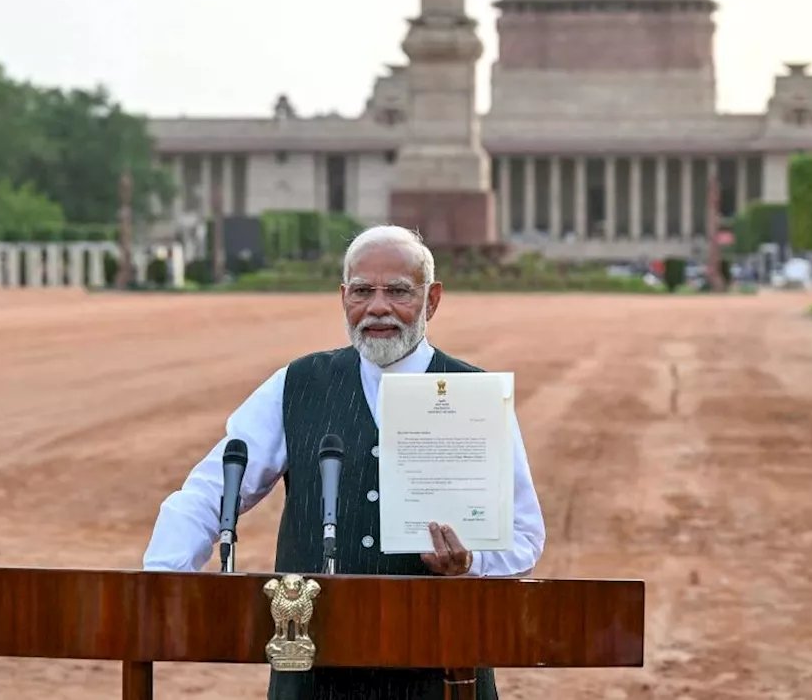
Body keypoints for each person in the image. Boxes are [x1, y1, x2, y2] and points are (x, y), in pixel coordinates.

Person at [142, 224, 546, 699]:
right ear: (342, 296)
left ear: (432, 300)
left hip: (440, 665)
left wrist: (472, 559)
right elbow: (213, 490)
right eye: (362, 291)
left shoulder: (472, 394)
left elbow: (524, 535)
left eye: (398, 291)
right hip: (316, 666)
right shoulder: (298, 384)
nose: (377, 308)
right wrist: (162, 584)